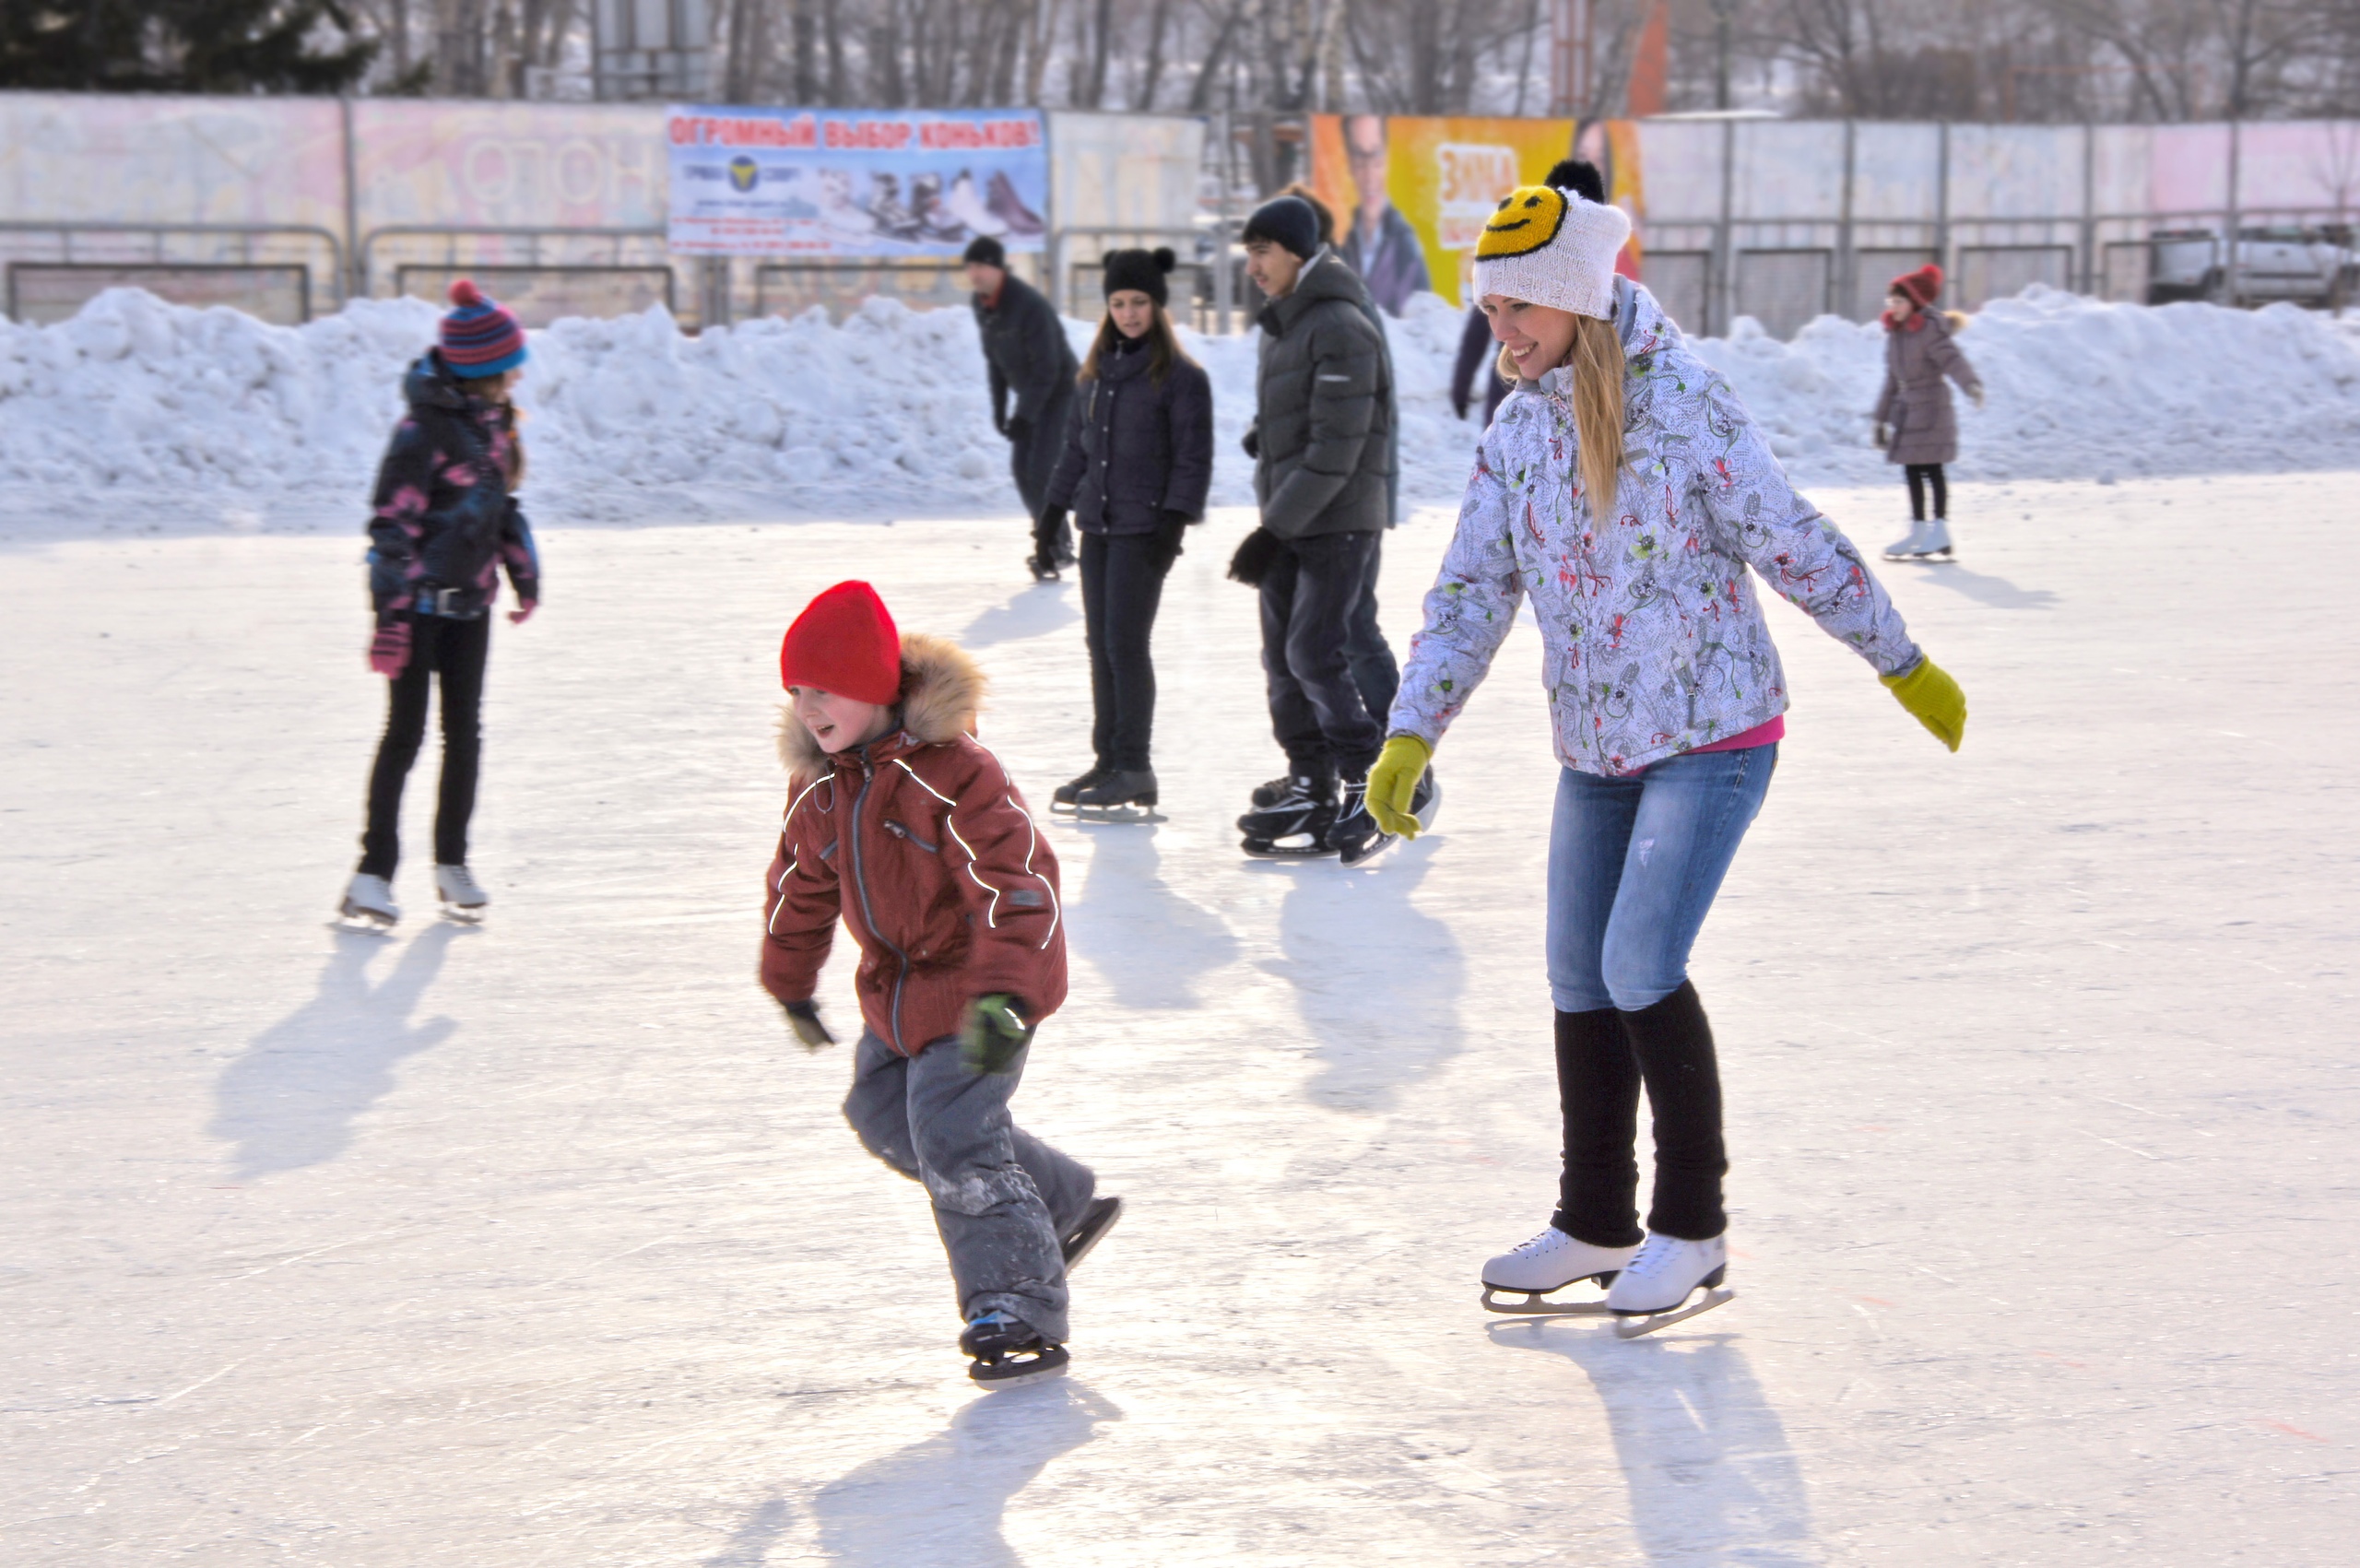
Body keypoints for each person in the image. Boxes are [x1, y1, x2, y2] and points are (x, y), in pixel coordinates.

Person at [1362, 162, 1968, 1337]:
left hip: (1713, 734)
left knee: (1640, 961)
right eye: (1488, 307)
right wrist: (1409, 728)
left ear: (1578, 302)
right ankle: (1596, 1217)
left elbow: (1788, 537)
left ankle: (1691, 1230)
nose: (1497, 330)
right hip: (1596, 746)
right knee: (1577, 973)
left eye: (1516, 307)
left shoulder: (1685, 405)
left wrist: (1896, 657)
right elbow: (1472, 588)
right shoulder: (1518, 431)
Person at [761, 581, 1122, 1386]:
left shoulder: (952, 772)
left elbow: (1018, 878)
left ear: (874, 684)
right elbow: (799, 885)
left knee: (954, 1134)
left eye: (826, 687)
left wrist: (1007, 993)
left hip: (983, 987)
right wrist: (789, 979)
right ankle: (1059, 1200)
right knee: (885, 1115)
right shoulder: (820, 785)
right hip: (896, 995)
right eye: (796, 690)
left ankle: (1017, 1300)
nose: (809, 706)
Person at [1227, 195, 1426, 867]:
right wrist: (1271, 434)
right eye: (1248, 252)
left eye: (1262, 252)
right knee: (1282, 657)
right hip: (1295, 509)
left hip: (1337, 518)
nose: (1252, 266)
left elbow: (1338, 450)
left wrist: (1271, 527)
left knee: (1318, 651)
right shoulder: (1288, 322)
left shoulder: (1339, 322)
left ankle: (1372, 781)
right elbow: (1315, 414)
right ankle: (1311, 779)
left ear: (1296, 253)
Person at [338, 279, 539, 929]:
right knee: (405, 735)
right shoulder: (420, 432)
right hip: (418, 608)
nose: (514, 379)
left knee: (464, 735)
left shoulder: (492, 426)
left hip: (470, 607)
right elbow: (389, 530)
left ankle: (452, 862)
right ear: (480, 369)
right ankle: (372, 873)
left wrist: (523, 574)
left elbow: (500, 512)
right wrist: (389, 618)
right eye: (506, 368)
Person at [1034, 247, 1214, 817]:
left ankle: (1134, 765)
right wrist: (1049, 516)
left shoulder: (1181, 379)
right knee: (1100, 647)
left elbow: (1193, 459)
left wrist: (1173, 525)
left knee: (1126, 647)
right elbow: (1075, 453)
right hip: (1099, 529)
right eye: (1118, 303)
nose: (1129, 313)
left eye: (1139, 302)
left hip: (1144, 533)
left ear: (1157, 307)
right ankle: (1108, 760)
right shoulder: (1095, 378)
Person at [964, 236, 1079, 577]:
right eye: (970, 267)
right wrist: (1000, 411)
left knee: (1042, 470)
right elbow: (995, 361)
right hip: (1031, 393)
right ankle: (1054, 542)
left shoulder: (1027, 305)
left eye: (981, 266)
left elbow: (1049, 368)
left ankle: (1058, 547)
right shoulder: (981, 305)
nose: (974, 274)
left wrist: (1024, 415)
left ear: (998, 268)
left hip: (1059, 391)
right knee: (1021, 471)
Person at [1874, 263, 1985, 561]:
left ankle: (1940, 529)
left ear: (1914, 302)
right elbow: (1891, 380)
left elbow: (1953, 360)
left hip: (1934, 409)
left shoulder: (1929, 331)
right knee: (1912, 471)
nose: (1893, 307)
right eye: (1891, 302)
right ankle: (1920, 529)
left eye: (1899, 301)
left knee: (1932, 469)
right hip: (1909, 413)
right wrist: (1880, 419)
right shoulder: (1897, 335)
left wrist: (1972, 386)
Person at [1339, 115, 1432, 315]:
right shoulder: (1341, 247)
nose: (1370, 174)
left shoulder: (1408, 249)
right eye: (1360, 159)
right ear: (1349, 164)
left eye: (1376, 156)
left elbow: (1426, 327)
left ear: (1388, 158)